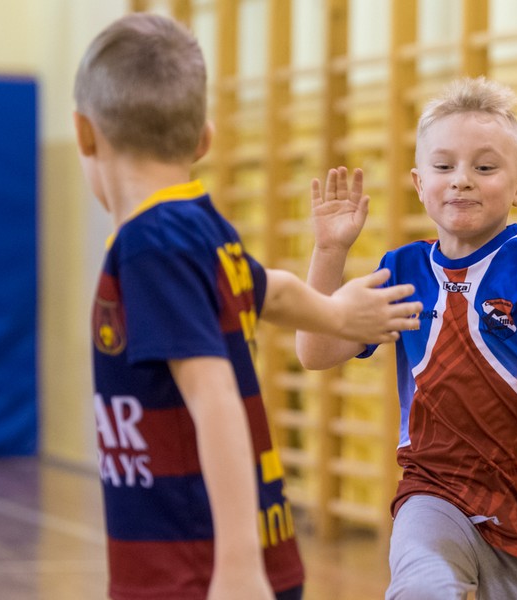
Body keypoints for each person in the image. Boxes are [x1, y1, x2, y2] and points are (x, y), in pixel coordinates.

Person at [73, 13, 422, 600]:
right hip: (229, 558)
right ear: (204, 140)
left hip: (198, 569)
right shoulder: (200, 226)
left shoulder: (151, 246)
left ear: (85, 134)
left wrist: (236, 568)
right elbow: (269, 289)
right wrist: (336, 316)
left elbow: (216, 401)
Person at [296, 76, 517, 599]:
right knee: (420, 588)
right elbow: (316, 352)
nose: (462, 181)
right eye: (444, 166)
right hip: (433, 491)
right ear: (418, 182)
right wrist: (330, 252)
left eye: (486, 167)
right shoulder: (403, 270)